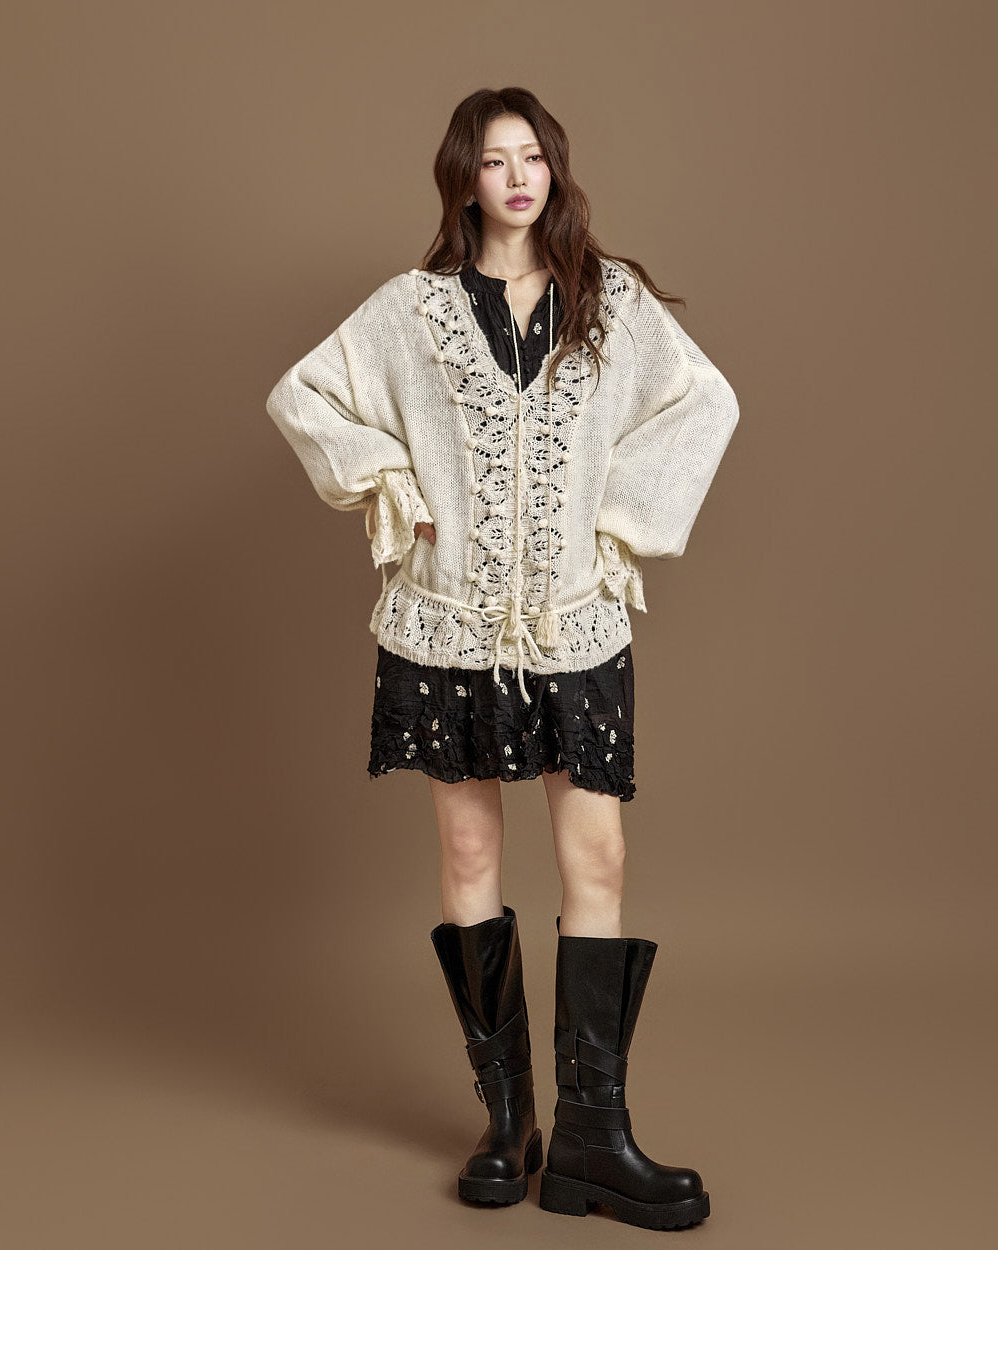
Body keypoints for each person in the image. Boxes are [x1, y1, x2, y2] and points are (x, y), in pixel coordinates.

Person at [265, 87, 740, 1231]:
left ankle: (591, 1140)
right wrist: (390, 480)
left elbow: (704, 402)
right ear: (463, 179)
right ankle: (507, 1119)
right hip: (448, 627)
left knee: (598, 853)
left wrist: (617, 523)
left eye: (534, 157)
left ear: (553, 170)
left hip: (575, 626)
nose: (520, 177)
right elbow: (302, 394)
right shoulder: (412, 310)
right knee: (471, 846)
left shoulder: (608, 302)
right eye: (495, 160)